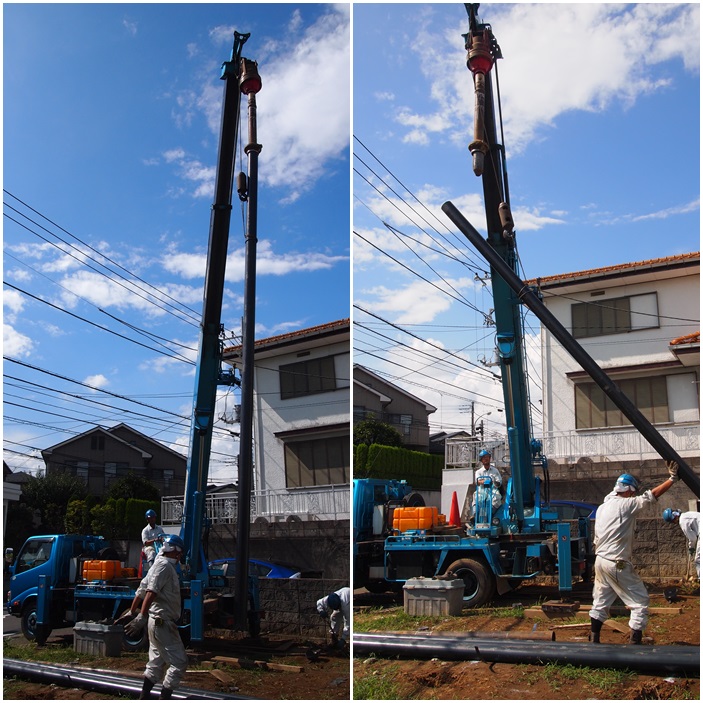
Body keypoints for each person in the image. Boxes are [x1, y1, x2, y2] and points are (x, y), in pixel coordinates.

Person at [589, 462, 679, 645]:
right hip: (616, 561)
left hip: (600, 560)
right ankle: (635, 643)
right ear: (629, 490)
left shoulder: (602, 507)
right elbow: (651, 496)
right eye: (633, 491)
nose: (634, 495)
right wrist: (672, 479)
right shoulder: (626, 505)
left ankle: (594, 638)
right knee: (639, 601)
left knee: (601, 601)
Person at [125, 534, 188, 699]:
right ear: (174, 551)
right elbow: (150, 592)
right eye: (179, 553)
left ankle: (144, 697)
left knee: (156, 663)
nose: (180, 556)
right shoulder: (165, 567)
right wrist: (141, 616)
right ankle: (164, 698)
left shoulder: (157, 565)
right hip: (162, 623)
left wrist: (133, 611)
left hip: (156, 623)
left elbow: (142, 588)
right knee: (179, 663)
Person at [663, 508, 700, 579]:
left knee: (699, 560)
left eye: (673, 521)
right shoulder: (686, 514)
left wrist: (691, 548)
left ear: (673, 519)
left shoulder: (682, 521)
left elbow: (693, 538)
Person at [472, 449, 503, 520]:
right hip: (482, 490)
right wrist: (485, 481)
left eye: (487, 457)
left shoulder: (495, 471)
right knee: (476, 496)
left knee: (496, 498)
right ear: (481, 460)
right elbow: (478, 481)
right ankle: (475, 515)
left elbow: (499, 481)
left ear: (489, 458)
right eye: (483, 458)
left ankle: (489, 515)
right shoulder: (478, 472)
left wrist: (494, 482)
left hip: (493, 490)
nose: (485, 459)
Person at [142, 509, 163, 574]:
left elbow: (163, 537)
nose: (152, 519)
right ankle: (152, 572)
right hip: (149, 547)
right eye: (150, 518)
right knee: (152, 553)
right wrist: (155, 540)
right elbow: (145, 543)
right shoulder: (145, 530)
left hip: (159, 547)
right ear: (147, 520)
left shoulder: (159, 528)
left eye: (153, 518)